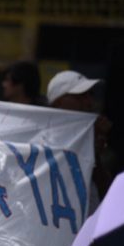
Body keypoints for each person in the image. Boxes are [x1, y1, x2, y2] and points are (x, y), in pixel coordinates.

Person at [47, 69, 113, 209]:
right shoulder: (41, 140)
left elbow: (108, 194)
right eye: (80, 96)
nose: (89, 102)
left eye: (90, 95)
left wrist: (94, 151)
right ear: (58, 102)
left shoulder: (93, 137)